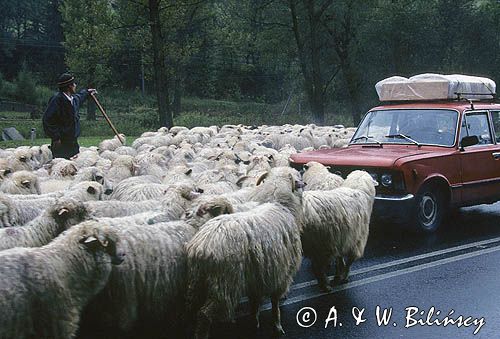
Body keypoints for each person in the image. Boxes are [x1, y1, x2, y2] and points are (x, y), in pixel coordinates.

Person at [42, 73, 96, 159]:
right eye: (73, 84)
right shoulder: (57, 100)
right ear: (69, 86)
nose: (75, 85)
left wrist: (87, 92)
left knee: (74, 167)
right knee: (61, 167)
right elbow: (47, 119)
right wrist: (56, 137)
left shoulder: (72, 99)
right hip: (61, 143)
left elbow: (80, 97)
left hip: (73, 141)